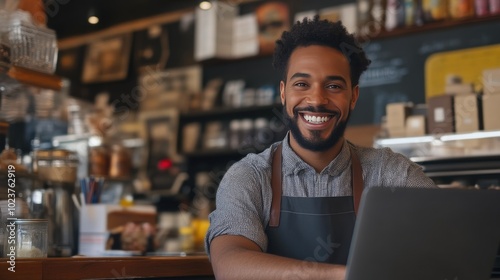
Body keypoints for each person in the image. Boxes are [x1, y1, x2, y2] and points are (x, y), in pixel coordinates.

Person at [205, 16, 436, 280]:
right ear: (283, 93)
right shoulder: (250, 176)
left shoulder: (390, 173)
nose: (316, 99)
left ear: (354, 96)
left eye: (334, 86)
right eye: (302, 84)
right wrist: (347, 276)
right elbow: (230, 265)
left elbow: (446, 236)